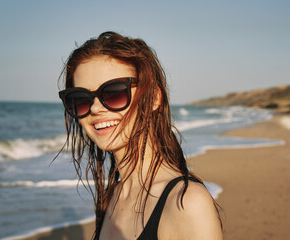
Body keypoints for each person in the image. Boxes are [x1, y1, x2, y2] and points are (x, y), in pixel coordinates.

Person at [58, 31, 223, 240]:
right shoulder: (112, 198)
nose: (95, 108)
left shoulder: (186, 202)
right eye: (80, 98)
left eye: (114, 92)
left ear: (153, 98)